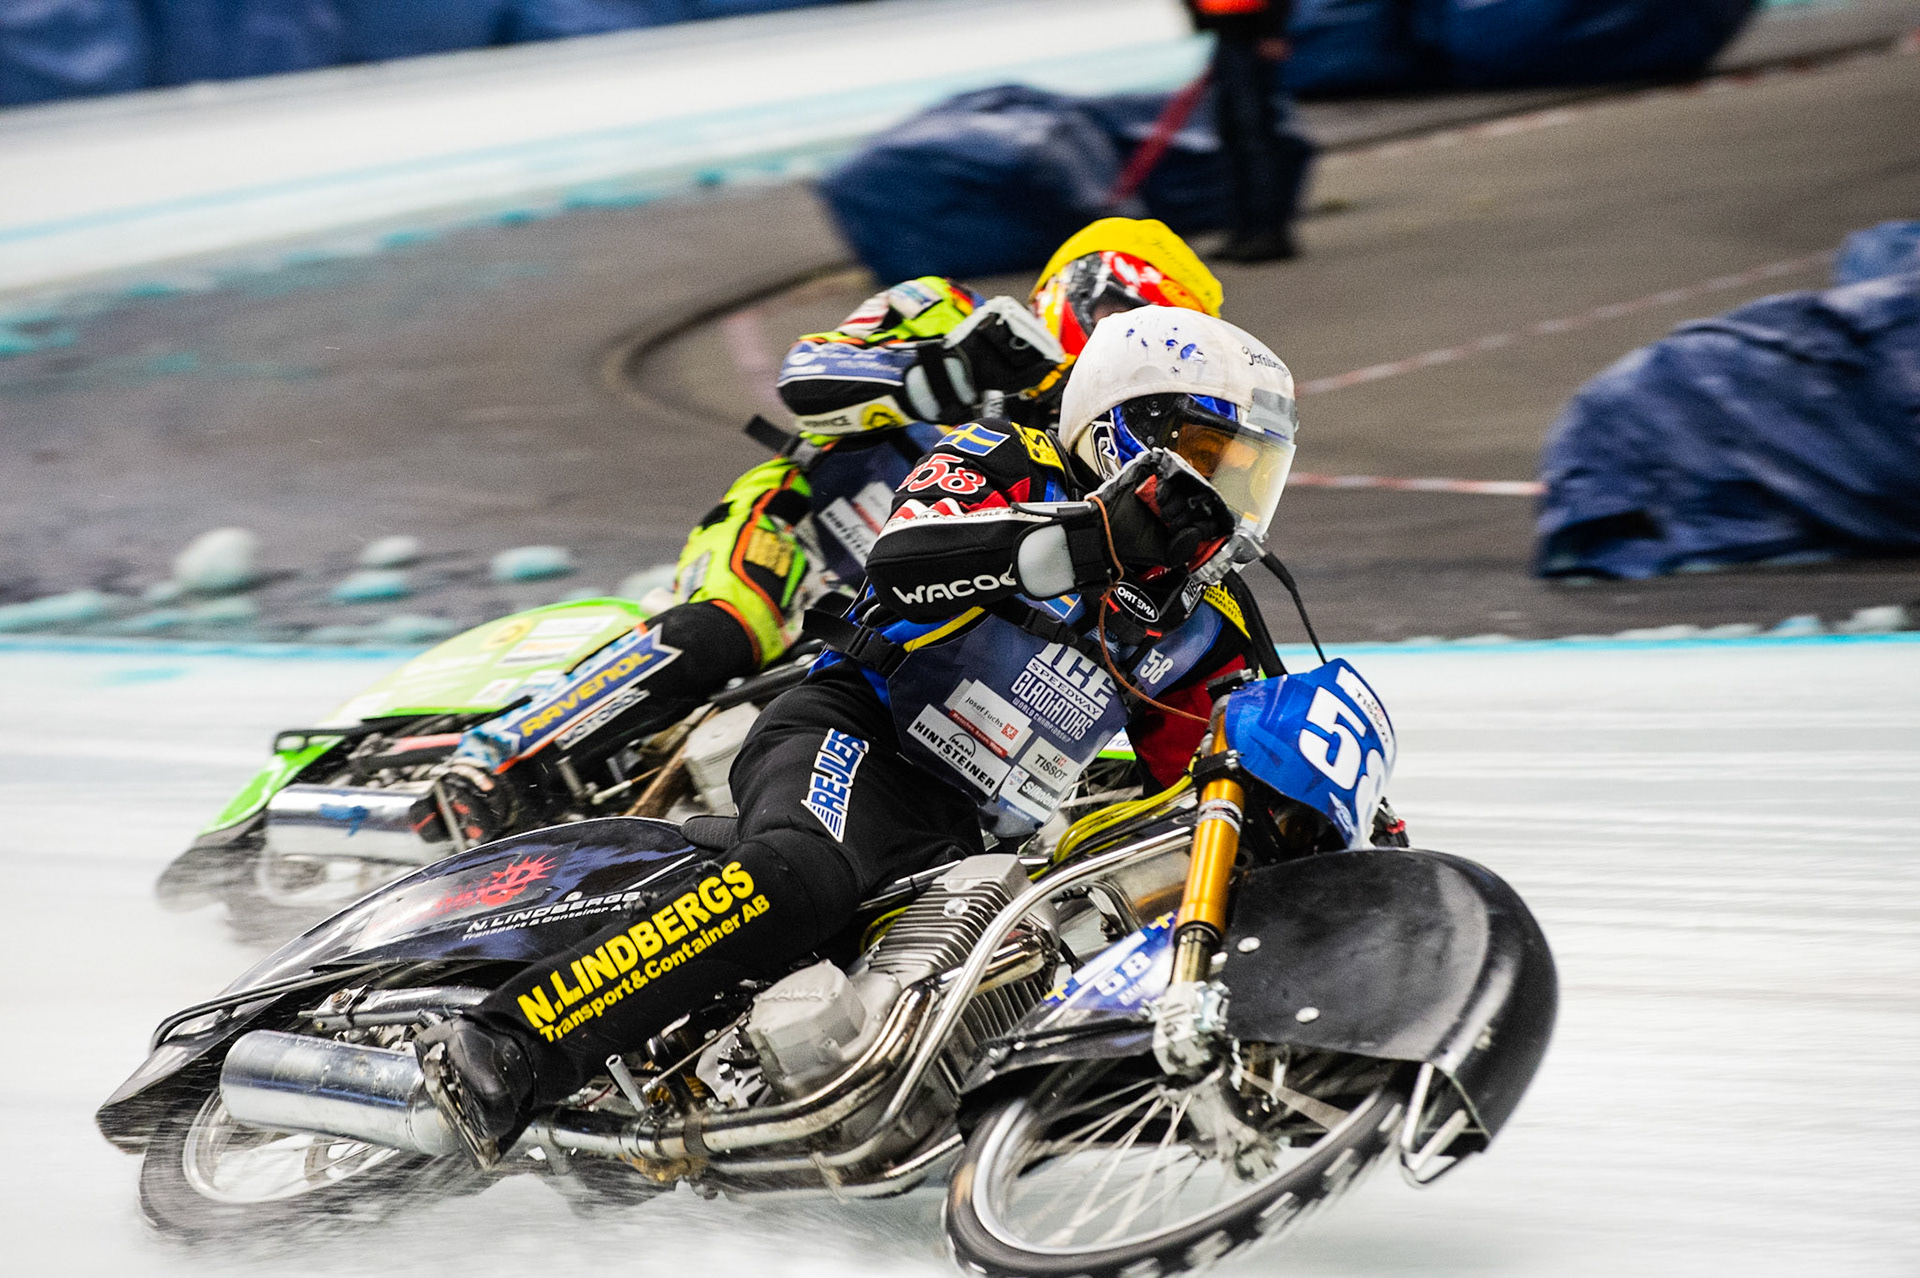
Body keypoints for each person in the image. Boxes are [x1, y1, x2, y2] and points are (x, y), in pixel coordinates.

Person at [414, 306, 1303, 1165]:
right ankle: (510, 1043)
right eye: (1210, 460)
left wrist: (1332, 831)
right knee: (802, 876)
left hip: (973, 835)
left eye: (1252, 475)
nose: (1228, 499)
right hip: (857, 730)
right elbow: (908, 560)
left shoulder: (1209, 616)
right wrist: (1091, 538)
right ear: (1124, 430)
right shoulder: (1007, 455)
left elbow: (1235, 753)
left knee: (1014, 975)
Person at [431, 220, 1224, 844]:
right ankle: (496, 758)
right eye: (1131, 314)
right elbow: (807, 377)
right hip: (807, 535)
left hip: (911, 634)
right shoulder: (953, 312)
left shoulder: (1120, 461)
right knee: (728, 624)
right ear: (1077, 292)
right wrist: (947, 369)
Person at [1185, 0, 1311, 263]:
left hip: (1251, 33)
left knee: (1257, 137)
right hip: (1226, 32)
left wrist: (1272, 30)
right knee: (1233, 137)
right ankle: (1243, 231)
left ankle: (1268, 232)